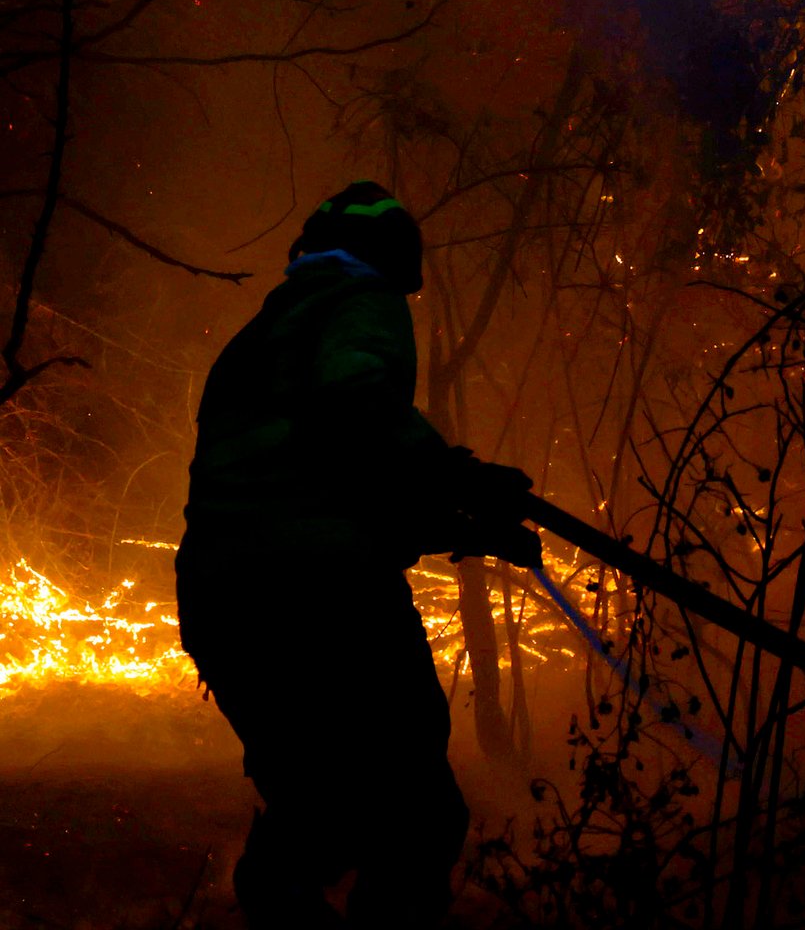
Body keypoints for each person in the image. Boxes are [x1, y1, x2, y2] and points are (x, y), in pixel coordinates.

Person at [176, 181, 541, 929]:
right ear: (393, 259)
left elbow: (324, 480)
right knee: (414, 811)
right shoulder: (360, 304)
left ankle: (276, 895)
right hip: (324, 597)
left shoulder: (260, 340)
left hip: (225, 604)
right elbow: (356, 412)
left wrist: (464, 524)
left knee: (319, 806)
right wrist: (458, 478)